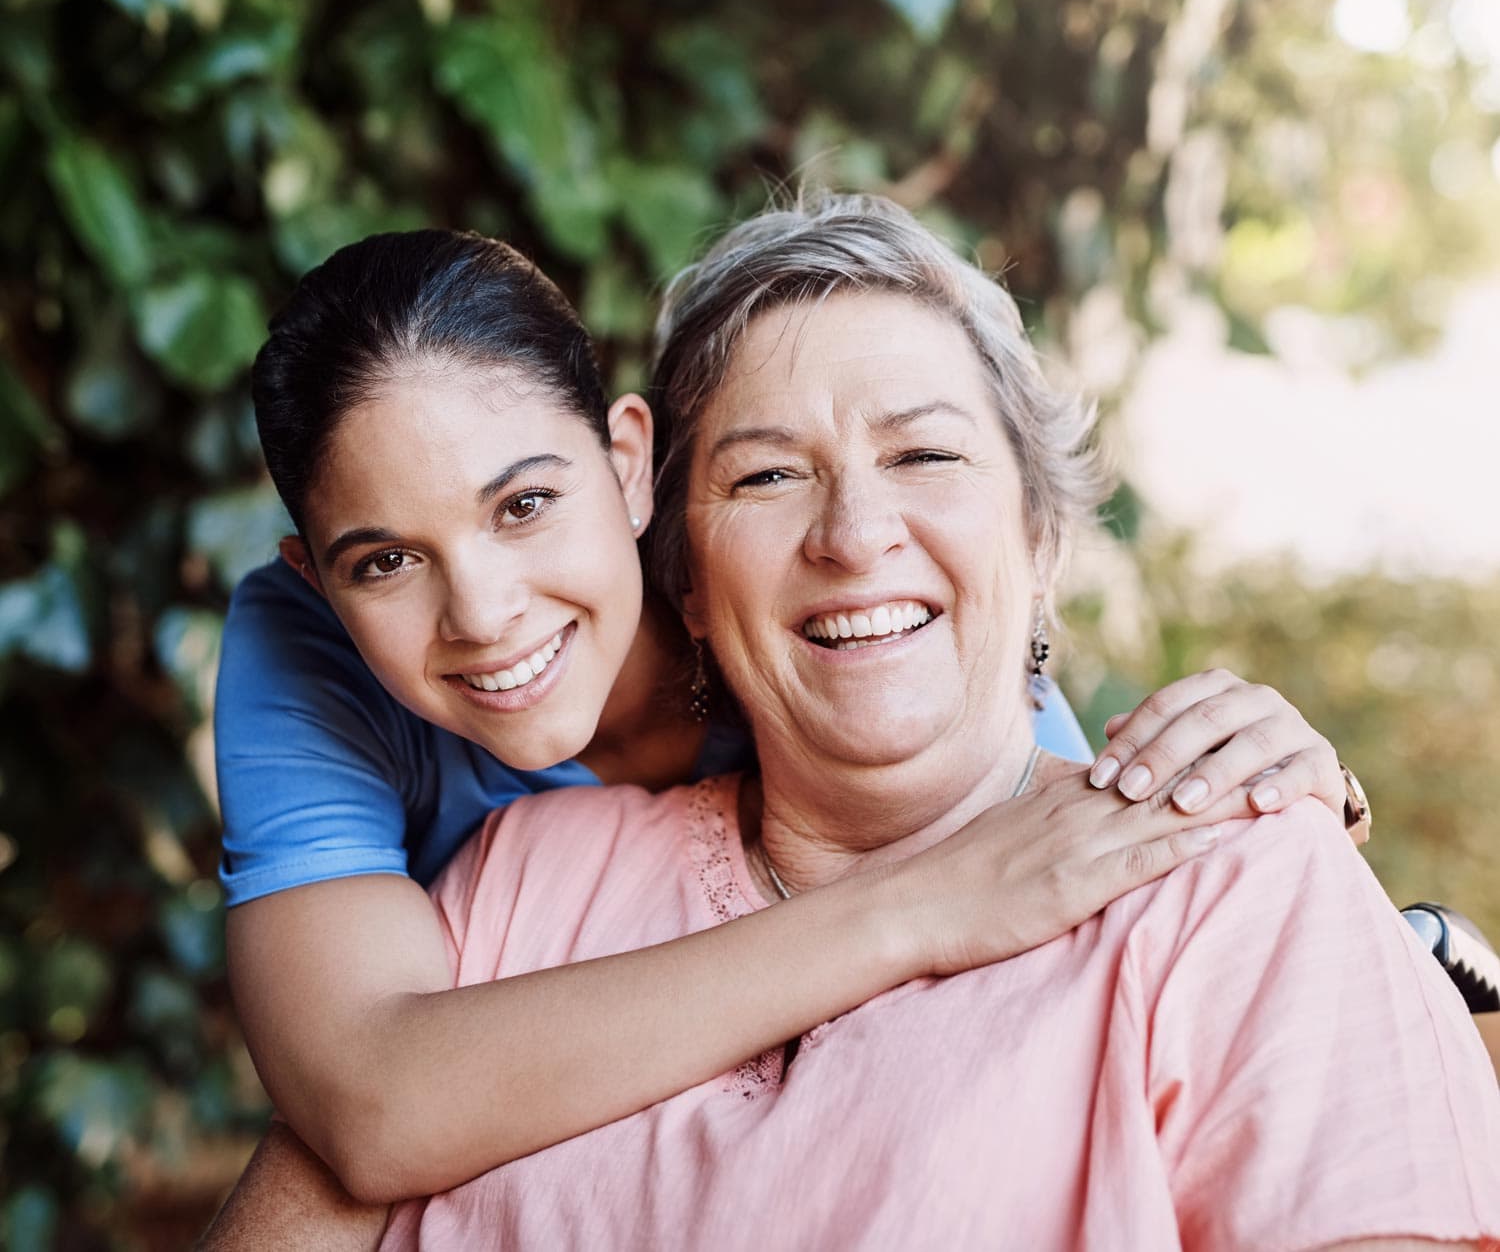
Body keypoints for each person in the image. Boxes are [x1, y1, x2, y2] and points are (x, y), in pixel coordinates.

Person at [205, 200, 1499, 1250]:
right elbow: (373, 1101)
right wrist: (912, 909)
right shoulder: (499, 882)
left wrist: (1306, 862)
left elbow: (1066, 861)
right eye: (767, 475)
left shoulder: (1211, 879)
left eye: (927, 456)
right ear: (692, 570)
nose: (856, 535)